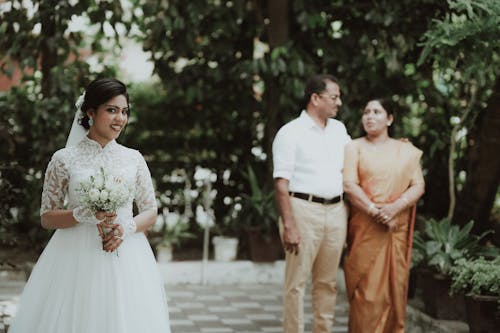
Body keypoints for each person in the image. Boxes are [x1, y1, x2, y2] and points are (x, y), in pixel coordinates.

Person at [9, 78, 171, 333]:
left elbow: (150, 212)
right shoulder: (64, 159)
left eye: (124, 111)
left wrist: (125, 228)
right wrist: (80, 214)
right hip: (73, 258)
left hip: (126, 256)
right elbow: (47, 217)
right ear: (90, 112)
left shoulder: (133, 158)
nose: (120, 118)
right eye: (112, 110)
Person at [272, 74, 350, 333]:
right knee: (296, 284)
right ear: (315, 98)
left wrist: (395, 145)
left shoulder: (339, 129)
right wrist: (289, 225)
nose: (338, 103)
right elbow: (281, 184)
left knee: (328, 283)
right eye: (334, 97)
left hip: (337, 210)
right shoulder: (290, 132)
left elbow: (360, 157)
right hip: (303, 210)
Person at [342, 99, 425, 333]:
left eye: (377, 112)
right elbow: (349, 185)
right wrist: (374, 210)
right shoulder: (354, 147)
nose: (369, 116)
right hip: (366, 229)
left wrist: (394, 208)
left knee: (395, 291)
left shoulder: (405, 151)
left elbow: (418, 186)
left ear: (389, 119)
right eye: (366, 112)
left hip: (395, 228)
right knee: (365, 295)